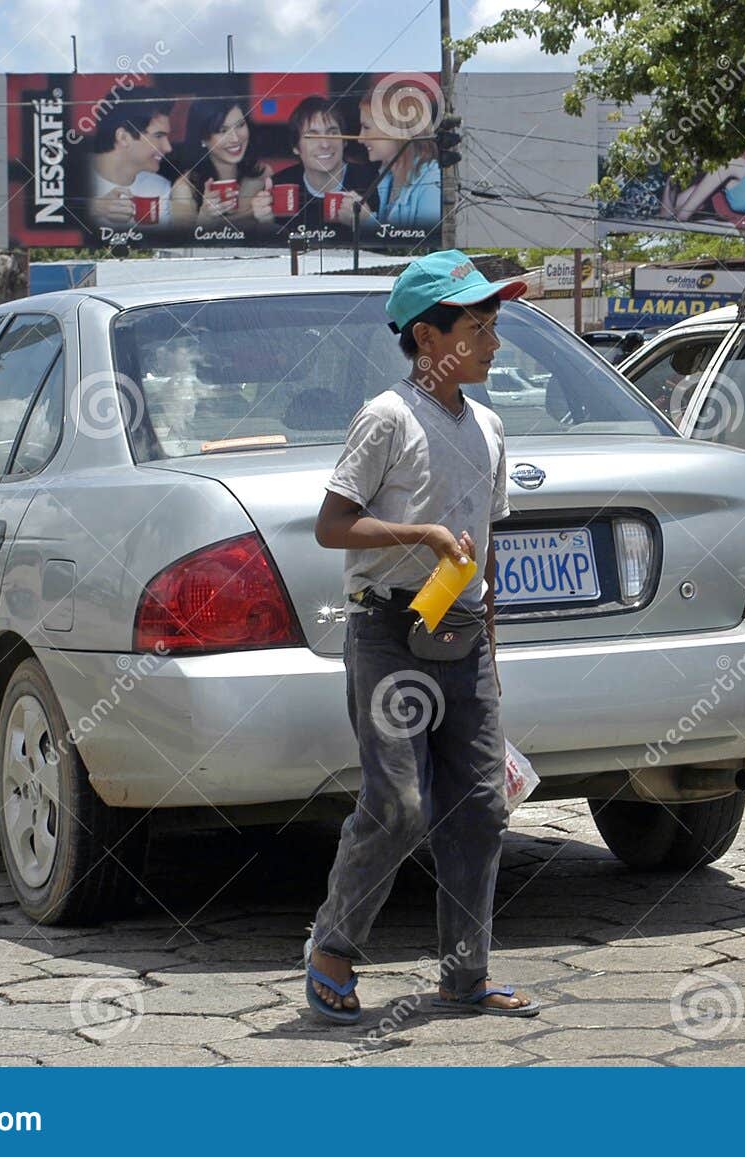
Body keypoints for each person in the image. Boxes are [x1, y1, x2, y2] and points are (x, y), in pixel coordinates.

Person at [303, 250, 539, 1022]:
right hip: (389, 633)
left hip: (464, 637)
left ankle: (465, 976)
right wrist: (423, 534)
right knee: (399, 804)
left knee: (479, 807)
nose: (495, 343)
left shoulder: (493, 427)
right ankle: (332, 951)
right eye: (480, 327)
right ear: (431, 337)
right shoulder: (387, 417)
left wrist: (492, 663)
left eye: (494, 325)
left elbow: (485, 554)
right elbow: (332, 525)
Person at [268, 96, 379, 236]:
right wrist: (263, 224)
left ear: (344, 141)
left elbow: (396, 248)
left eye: (333, 133)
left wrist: (367, 223)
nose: (325, 144)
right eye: (312, 137)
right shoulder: (279, 185)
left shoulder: (373, 182)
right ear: (296, 147)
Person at [352, 77, 442, 232]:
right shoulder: (385, 178)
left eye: (366, 127)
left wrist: (366, 220)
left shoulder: (432, 180)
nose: (360, 139)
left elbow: (422, 241)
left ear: (394, 129)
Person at [169, 98, 272, 230]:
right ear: (203, 138)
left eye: (240, 125)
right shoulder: (185, 188)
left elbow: (278, 235)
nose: (235, 139)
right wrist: (205, 219)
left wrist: (268, 221)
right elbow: (182, 245)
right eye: (222, 131)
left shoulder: (262, 174)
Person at [86, 96, 175, 229]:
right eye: (158, 136)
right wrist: (91, 209)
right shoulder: (68, 174)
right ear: (123, 137)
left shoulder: (161, 188)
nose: (168, 148)